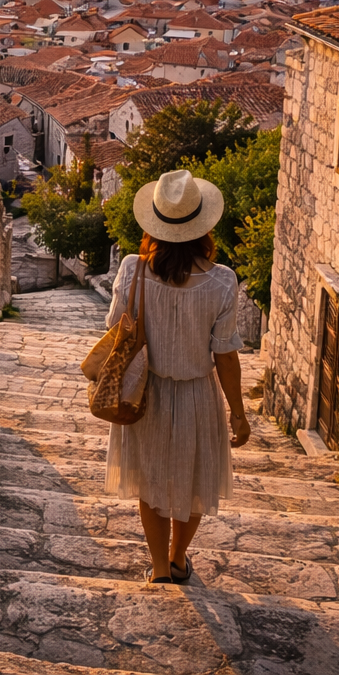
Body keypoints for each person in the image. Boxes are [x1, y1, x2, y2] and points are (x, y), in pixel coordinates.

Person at [104, 168, 252, 584]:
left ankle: (156, 568)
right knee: (194, 483)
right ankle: (179, 559)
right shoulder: (222, 282)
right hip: (197, 397)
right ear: (203, 227)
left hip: (143, 394)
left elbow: (115, 328)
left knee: (150, 481)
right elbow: (225, 354)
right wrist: (238, 413)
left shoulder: (133, 270)